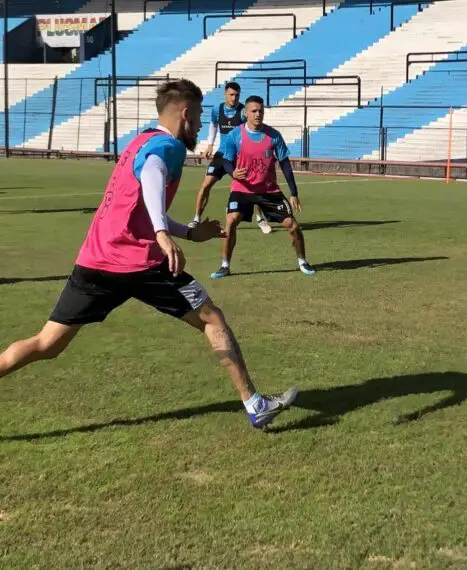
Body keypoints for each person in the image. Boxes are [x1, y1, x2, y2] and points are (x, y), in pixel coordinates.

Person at [0, 79, 296, 429]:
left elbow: (142, 203)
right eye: (199, 117)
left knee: (46, 344)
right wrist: (161, 234)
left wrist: (185, 231)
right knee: (211, 318)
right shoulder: (167, 147)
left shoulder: (138, 141)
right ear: (185, 114)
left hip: (95, 260)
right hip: (140, 263)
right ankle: (254, 403)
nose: (201, 125)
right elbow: (154, 173)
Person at [210, 95, 315, 279]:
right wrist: (232, 173)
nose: (258, 114)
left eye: (261, 111)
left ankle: (302, 261)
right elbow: (226, 160)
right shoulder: (235, 135)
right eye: (254, 111)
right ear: (246, 113)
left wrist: (293, 192)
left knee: (292, 226)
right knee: (231, 221)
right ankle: (225, 265)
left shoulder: (273, 135)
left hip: (269, 190)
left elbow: (284, 163)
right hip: (242, 189)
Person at [189, 81, 272, 235]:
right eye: (231, 94)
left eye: (237, 95)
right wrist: (210, 144)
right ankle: (196, 218)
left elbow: (253, 128)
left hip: (240, 156)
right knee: (206, 185)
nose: (234, 98)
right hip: (222, 154)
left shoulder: (243, 112)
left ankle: (260, 217)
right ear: (225, 94)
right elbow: (213, 124)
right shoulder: (217, 109)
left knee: (253, 186)